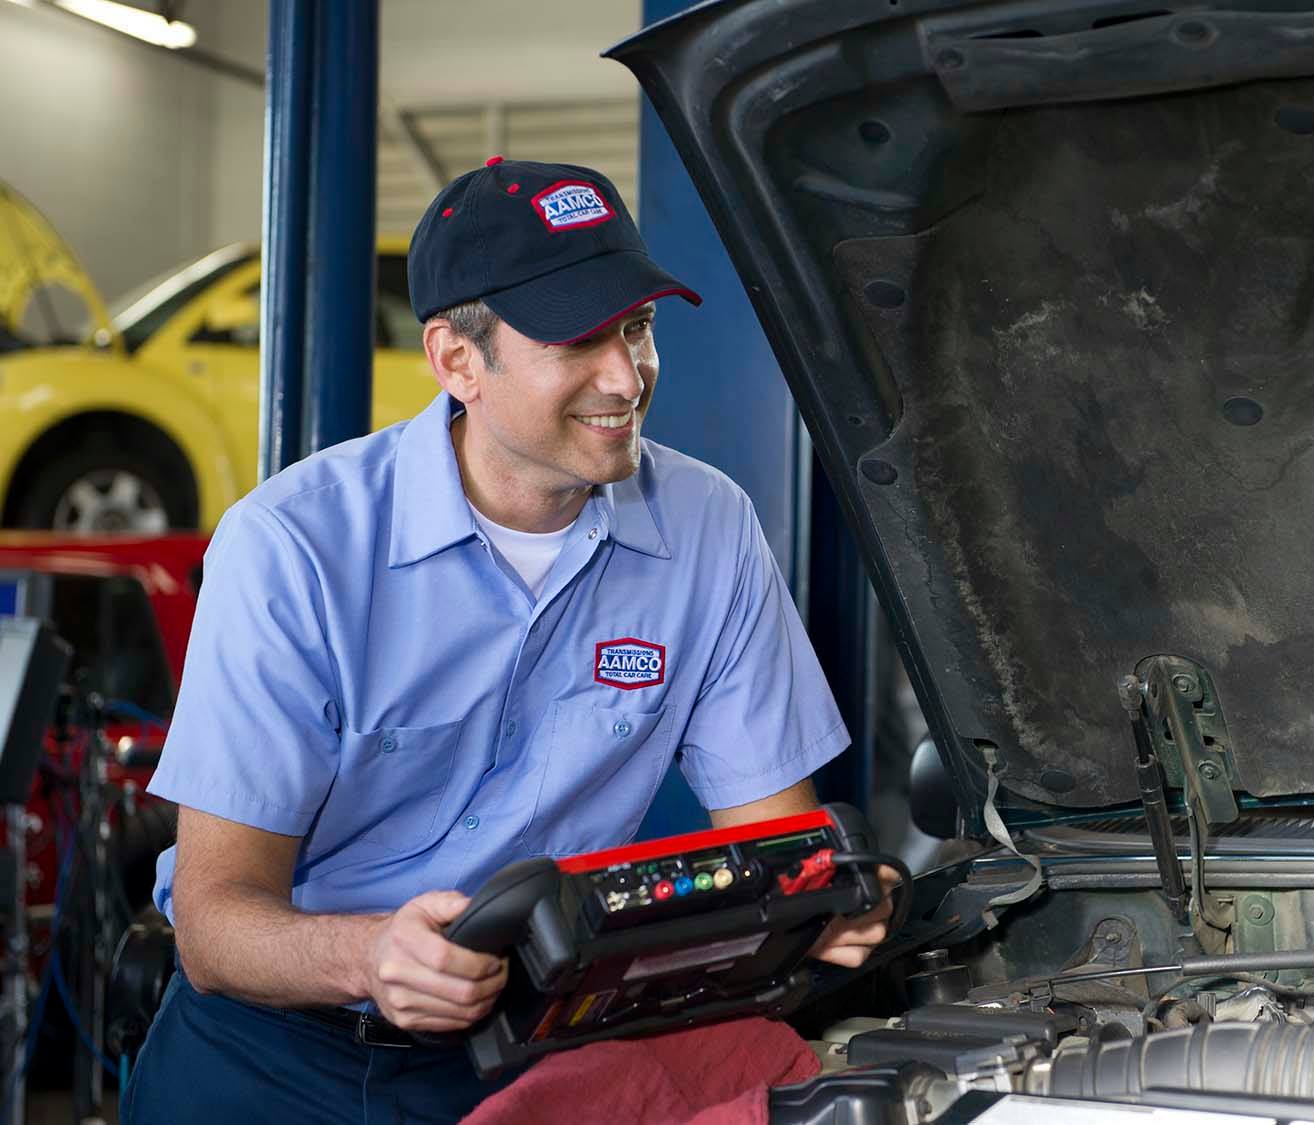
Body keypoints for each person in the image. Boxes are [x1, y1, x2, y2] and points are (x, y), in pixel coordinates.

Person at [122, 159, 891, 1124]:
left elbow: (777, 852)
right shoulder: (295, 546)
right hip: (270, 1059)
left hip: (526, 1055)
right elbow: (214, 924)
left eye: (637, 328)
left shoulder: (711, 530)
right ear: (456, 361)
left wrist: (821, 906)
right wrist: (371, 953)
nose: (627, 377)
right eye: (579, 338)